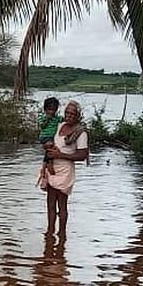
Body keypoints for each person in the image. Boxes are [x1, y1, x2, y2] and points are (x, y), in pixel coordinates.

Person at [41, 100, 89, 238]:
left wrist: (60, 155)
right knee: (50, 203)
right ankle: (50, 234)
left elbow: (82, 155)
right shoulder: (60, 125)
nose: (69, 116)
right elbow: (47, 139)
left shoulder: (80, 132)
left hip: (65, 170)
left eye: (72, 114)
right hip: (52, 167)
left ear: (78, 115)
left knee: (62, 204)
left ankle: (62, 233)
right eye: (67, 113)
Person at [37, 97, 62, 182]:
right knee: (50, 148)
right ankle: (49, 165)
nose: (52, 112)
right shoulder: (42, 117)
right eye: (50, 109)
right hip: (45, 137)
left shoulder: (57, 118)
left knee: (50, 151)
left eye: (54, 110)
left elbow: (64, 121)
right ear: (45, 109)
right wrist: (47, 119)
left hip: (53, 137)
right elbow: (42, 126)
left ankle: (44, 167)